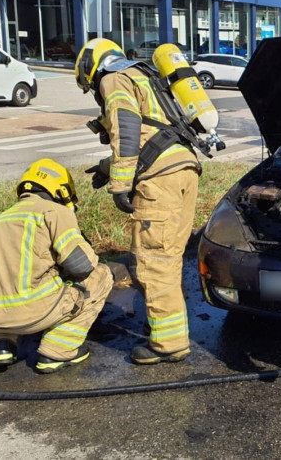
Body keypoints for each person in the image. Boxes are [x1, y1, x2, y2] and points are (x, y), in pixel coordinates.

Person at [75, 38, 200, 364]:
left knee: (153, 261)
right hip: (184, 168)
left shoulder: (113, 78)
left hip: (160, 180)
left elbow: (127, 130)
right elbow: (153, 135)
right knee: (168, 256)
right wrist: (106, 168)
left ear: (92, 68)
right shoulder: (143, 75)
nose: (95, 92)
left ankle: (169, 344)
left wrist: (120, 185)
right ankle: (164, 325)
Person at [0, 159, 113, 373]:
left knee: (3, 283)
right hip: (29, 311)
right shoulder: (54, 211)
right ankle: (56, 351)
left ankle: (2, 345)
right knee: (102, 275)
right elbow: (81, 266)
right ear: (62, 191)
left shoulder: (3, 217)